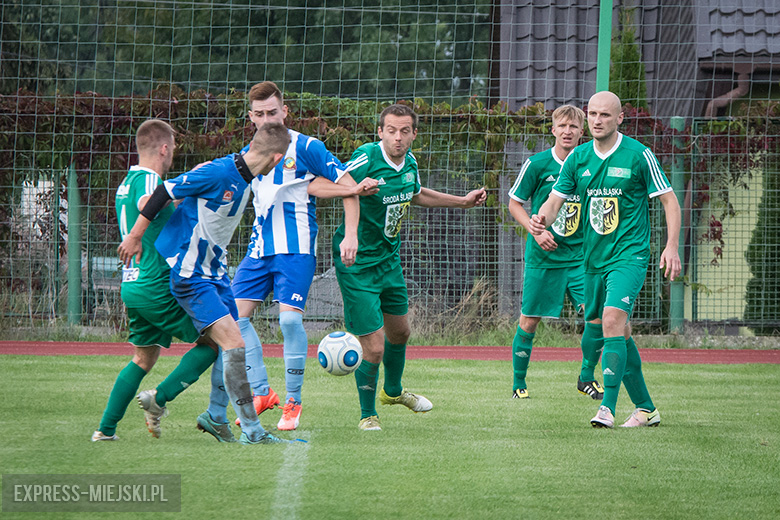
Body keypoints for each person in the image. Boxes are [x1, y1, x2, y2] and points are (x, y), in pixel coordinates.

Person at [203, 81, 378, 434]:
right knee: (233, 321)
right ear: (251, 117)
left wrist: (352, 234)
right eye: (260, 113)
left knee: (288, 323)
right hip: (257, 252)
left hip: (296, 250)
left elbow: (348, 186)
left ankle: (294, 401)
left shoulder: (308, 147)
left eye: (273, 111)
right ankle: (264, 393)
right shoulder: (250, 152)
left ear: (285, 111)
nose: (268, 118)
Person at [310, 103, 487, 431]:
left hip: (389, 262)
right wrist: (354, 199)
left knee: (401, 332)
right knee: (374, 347)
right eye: (391, 130)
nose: (398, 137)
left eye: (405, 131)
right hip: (357, 264)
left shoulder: (411, 163)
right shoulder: (367, 157)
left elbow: (417, 194)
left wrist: (462, 201)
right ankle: (367, 415)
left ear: (414, 134)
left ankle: (392, 392)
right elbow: (320, 184)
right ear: (380, 132)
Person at [118, 122, 292, 445]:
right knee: (233, 345)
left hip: (214, 273)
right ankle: (253, 431)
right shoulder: (219, 172)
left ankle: (214, 415)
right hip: (190, 275)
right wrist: (135, 235)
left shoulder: (245, 176)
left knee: (229, 342)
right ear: (277, 159)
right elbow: (164, 191)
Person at [529, 91, 681, 428]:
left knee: (613, 319)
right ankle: (646, 409)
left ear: (620, 118)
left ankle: (607, 409)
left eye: (605, 115)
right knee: (617, 331)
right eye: (593, 114)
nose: (598, 120)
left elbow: (670, 202)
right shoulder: (578, 158)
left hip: (629, 255)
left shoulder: (638, 155)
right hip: (593, 259)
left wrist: (671, 246)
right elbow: (555, 202)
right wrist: (540, 220)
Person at [92, 119, 219, 442]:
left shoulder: (127, 180)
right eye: (173, 148)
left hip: (133, 283)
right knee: (215, 342)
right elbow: (150, 202)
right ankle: (158, 399)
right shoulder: (149, 180)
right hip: (155, 284)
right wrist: (187, 186)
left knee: (144, 357)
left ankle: (105, 430)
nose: (173, 152)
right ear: (164, 148)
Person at [508, 105, 604, 400]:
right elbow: (514, 203)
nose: (568, 131)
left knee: (597, 317)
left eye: (574, 127)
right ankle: (518, 384)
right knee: (529, 320)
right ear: (553, 130)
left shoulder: (591, 162)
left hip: (580, 258)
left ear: (581, 132)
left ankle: (586, 377)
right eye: (562, 126)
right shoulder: (537, 164)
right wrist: (535, 231)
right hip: (544, 258)